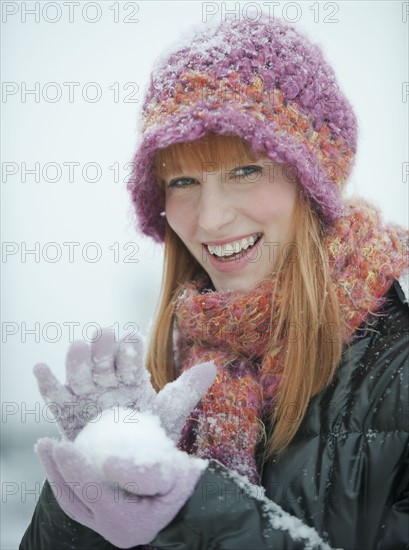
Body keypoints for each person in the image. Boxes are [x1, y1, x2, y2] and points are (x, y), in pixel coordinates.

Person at [20, 15, 408, 550]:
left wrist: (186, 511)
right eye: (183, 181)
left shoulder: (399, 378)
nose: (210, 220)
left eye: (244, 170)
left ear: (311, 179)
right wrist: (90, 494)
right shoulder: (166, 380)